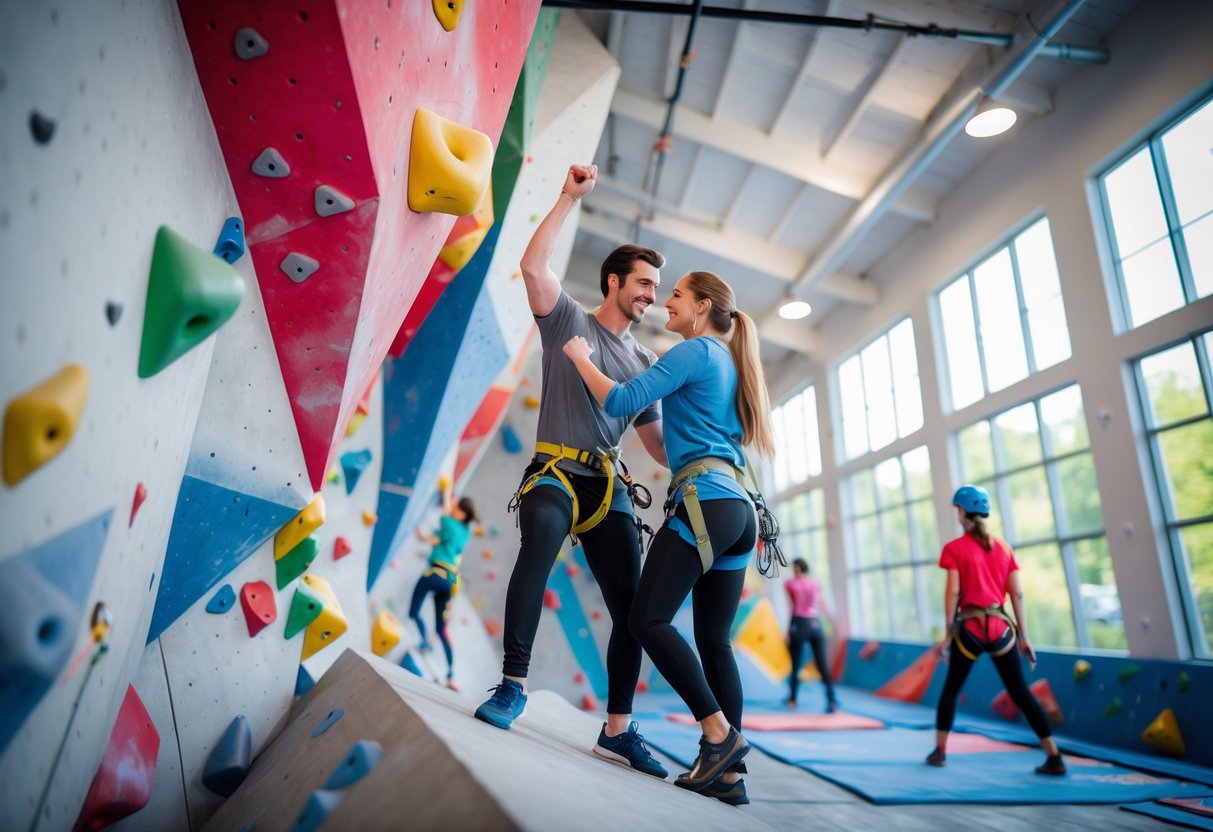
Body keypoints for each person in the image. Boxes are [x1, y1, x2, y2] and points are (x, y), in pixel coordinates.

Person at [473, 163, 670, 781]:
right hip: (555, 472)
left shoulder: (646, 363)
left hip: (607, 484)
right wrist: (567, 197)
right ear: (613, 282)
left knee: (635, 608)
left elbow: (658, 448)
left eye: (656, 287)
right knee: (537, 550)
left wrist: (712, 457)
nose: (651, 295)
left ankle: (616, 730)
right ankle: (512, 687)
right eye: (642, 283)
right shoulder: (569, 322)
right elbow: (533, 267)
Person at [563, 269, 774, 805]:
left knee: (646, 619)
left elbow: (618, 400)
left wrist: (581, 358)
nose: (665, 303)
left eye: (675, 294)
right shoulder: (725, 361)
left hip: (705, 502)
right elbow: (661, 444)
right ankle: (730, 779)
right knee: (713, 642)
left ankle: (719, 736)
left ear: (702, 306)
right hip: (737, 510)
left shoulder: (695, 352)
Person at [926, 484, 1066, 776]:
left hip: (971, 630)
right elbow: (1017, 594)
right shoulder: (1003, 548)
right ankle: (1054, 756)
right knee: (1021, 693)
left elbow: (953, 593)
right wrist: (1024, 636)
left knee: (951, 690)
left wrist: (947, 635)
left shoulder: (955, 549)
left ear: (961, 511)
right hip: (1002, 630)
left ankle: (940, 752)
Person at [409, 489, 477, 690]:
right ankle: (451, 675)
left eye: (457, 508)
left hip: (435, 574)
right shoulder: (465, 533)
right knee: (442, 629)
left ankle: (425, 642)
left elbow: (446, 516)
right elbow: (437, 540)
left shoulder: (449, 522)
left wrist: (447, 493)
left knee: (413, 612)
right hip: (450, 581)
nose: (453, 509)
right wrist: (423, 537)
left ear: (463, 513)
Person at [784, 558, 839, 712]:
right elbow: (821, 603)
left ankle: (793, 699)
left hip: (800, 623)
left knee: (795, 664)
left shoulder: (790, 584)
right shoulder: (815, 583)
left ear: (797, 568)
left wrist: (788, 629)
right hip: (815, 623)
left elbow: (793, 606)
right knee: (822, 664)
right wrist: (831, 622)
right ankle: (832, 699)